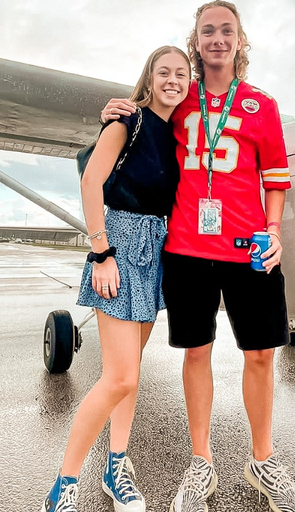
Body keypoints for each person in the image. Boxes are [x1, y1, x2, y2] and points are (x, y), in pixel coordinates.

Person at [100, 2, 295, 511]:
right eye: (207, 31)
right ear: (196, 41)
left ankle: (263, 461)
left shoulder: (263, 104)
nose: (217, 38)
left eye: (227, 30)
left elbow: (276, 178)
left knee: (260, 354)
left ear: (240, 40)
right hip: (187, 249)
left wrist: (275, 229)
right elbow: (139, 123)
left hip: (249, 248)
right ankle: (201, 463)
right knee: (198, 352)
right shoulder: (179, 98)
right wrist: (115, 111)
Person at [42, 45, 191, 512]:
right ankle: (64, 486)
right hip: (121, 243)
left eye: (181, 73)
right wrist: (102, 252)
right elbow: (92, 184)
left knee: (130, 375)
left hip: (159, 246)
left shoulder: (181, 132)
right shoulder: (128, 120)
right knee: (119, 377)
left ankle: (117, 465)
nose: (173, 79)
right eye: (163, 72)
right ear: (149, 79)